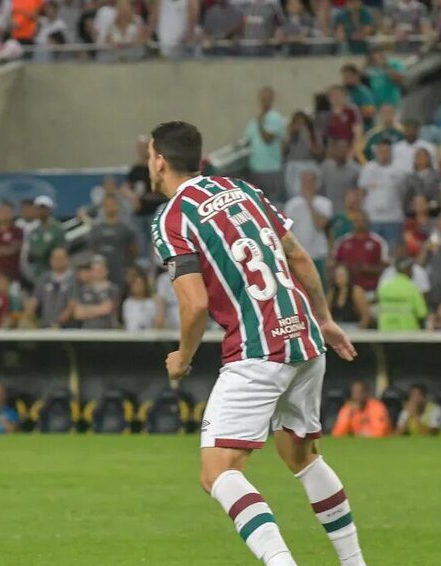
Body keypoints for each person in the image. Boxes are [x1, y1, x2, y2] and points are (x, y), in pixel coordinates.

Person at [148, 121, 364, 566]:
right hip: (303, 334)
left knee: (218, 473)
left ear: (160, 161)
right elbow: (298, 255)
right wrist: (324, 319)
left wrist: (182, 358)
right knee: (301, 453)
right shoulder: (242, 190)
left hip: (258, 348)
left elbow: (194, 306)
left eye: (150, 155)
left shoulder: (172, 218)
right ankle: (354, 563)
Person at [283, 171, 331, 279]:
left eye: (310, 182)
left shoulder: (324, 203)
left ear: (316, 184)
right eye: (305, 182)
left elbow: (320, 224)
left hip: (319, 255)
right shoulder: (292, 205)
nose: (307, 186)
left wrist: (309, 202)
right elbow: (286, 230)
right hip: (299, 255)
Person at [243, 87, 285, 203]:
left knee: (273, 203)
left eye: (267, 98)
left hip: (271, 169)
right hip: (256, 168)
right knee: (259, 203)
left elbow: (268, 139)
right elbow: (247, 140)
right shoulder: (254, 120)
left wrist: (261, 122)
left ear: (272, 99)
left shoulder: (275, 117)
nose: (264, 101)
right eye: (262, 98)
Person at [331, 212, 389, 293]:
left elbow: (387, 268)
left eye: (363, 221)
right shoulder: (342, 242)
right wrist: (346, 268)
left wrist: (369, 269)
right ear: (352, 222)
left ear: (368, 222)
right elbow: (333, 265)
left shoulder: (378, 242)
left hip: (370, 290)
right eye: (357, 221)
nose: (360, 223)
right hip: (346, 291)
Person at [87, 194, 138, 286]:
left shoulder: (126, 229)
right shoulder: (96, 230)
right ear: (103, 207)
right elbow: (92, 252)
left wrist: (129, 268)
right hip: (100, 273)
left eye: (113, 204)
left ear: (118, 206)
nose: (110, 207)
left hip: (120, 271)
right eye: (108, 204)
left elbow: (133, 251)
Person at [24, 247, 76, 328]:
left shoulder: (74, 279)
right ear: (50, 260)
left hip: (67, 328)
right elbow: (34, 300)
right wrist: (26, 317)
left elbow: (73, 304)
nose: (58, 261)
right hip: (45, 326)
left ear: (67, 259)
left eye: (61, 258)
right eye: (55, 258)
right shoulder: (44, 278)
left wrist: (58, 322)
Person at [375, 257, 428, 331]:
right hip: (408, 333)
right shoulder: (412, 288)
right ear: (406, 269)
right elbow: (422, 313)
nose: (412, 272)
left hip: (385, 331)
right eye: (410, 269)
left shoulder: (384, 287)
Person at [72, 256, 120, 329]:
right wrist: (100, 308)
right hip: (88, 331)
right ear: (91, 271)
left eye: (100, 269)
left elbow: (108, 309)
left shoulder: (113, 289)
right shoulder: (84, 289)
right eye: (95, 270)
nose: (98, 272)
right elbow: (78, 314)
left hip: (107, 331)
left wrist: (86, 310)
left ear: (106, 271)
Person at [328, 263, 371, 329]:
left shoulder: (356, 291)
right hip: (337, 328)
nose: (339, 278)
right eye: (337, 275)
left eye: (342, 275)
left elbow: (366, 316)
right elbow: (325, 313)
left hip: (354, 327)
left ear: (348, 275)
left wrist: (360, 330)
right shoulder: (332, 293)